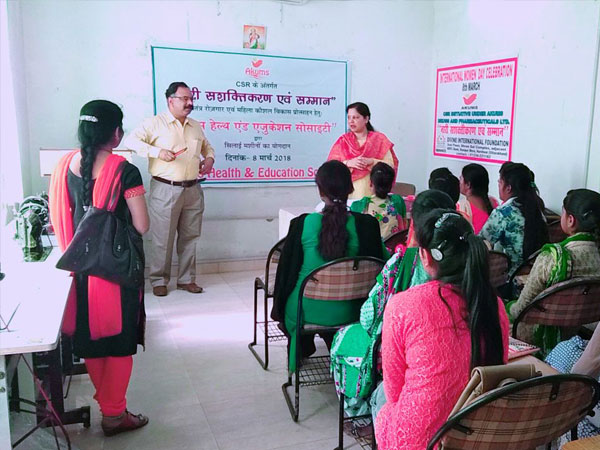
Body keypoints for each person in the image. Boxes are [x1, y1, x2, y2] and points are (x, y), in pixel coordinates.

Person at [49, 100, 149, 436]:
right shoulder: (124, 170)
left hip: (77, 271)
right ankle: (114, 414)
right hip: (115, 273)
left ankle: (111, 408)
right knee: (119, 341)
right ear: (116, 133)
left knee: (91, 341)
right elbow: (142, 225)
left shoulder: (63, 166)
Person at [372, 209, 509, 450]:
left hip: (420, 441)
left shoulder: (402, 306)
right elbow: (497, 369)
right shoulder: (493, 304)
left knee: (380, 399)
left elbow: (394, 393)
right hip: (478, 435)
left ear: (425, 256)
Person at [331, 189, 455, 417]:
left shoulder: (403, 263)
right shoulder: (473, 263)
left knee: (346, 337)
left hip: (411, 356)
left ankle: (361, 411)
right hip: (461, 368)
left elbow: (369, 318)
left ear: (413, 224)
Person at [271, 160, 387, 372]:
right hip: (355, 310)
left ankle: (303, 347)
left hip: (305, 310)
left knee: (292, 300)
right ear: (350, 189)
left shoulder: (303, 224)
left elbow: (286, 274)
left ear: (320, 191)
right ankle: (336, 341)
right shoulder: (367, 226)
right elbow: (383, 264)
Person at [124, 81, 215, 297]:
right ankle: (159, 280)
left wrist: (209, 158)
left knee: (190, 237)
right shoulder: (154, 123)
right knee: (162, 237)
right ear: (170, 100)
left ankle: (186, 280)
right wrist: (157, 152)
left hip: (193, 189)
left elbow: (206, 146)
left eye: (191, 99)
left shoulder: (195, 126)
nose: (189, 103)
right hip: (165, 188)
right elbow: (131, 141)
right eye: (184, 99)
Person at [508, 189, 600, 352]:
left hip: (532, 337)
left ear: (570, 220)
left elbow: (520, 309)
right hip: (574, 338)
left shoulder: (552, 257)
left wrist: (507, 307)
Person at [479, 161, 548, 273]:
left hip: (513, 278)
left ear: (508, 188)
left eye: (500, 181)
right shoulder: (537, 209)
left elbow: (480, 243)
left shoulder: (503, 213)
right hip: (538, 274)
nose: (498, 184)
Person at [327, 102, 398, 199]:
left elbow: (391, 165)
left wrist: (372, 161)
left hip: (373, 193)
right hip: (349, 194)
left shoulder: (379, 140)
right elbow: (330, 168)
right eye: (349, 118)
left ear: (366, 119)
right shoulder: (343, 141)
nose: (351, 121)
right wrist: (347, 163)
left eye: (355, 117)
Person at [350, 162, 406, 240]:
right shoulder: (398, 201)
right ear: (391, 185)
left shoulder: (357, 206)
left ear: (371, 183)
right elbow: (404, 230)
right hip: (395, 247)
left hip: (370, 247)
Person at [457, 163, 499, 234]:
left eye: (461, 178)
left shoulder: (461, 208)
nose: (459, 182)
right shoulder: (494, 202)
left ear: (468, 185)